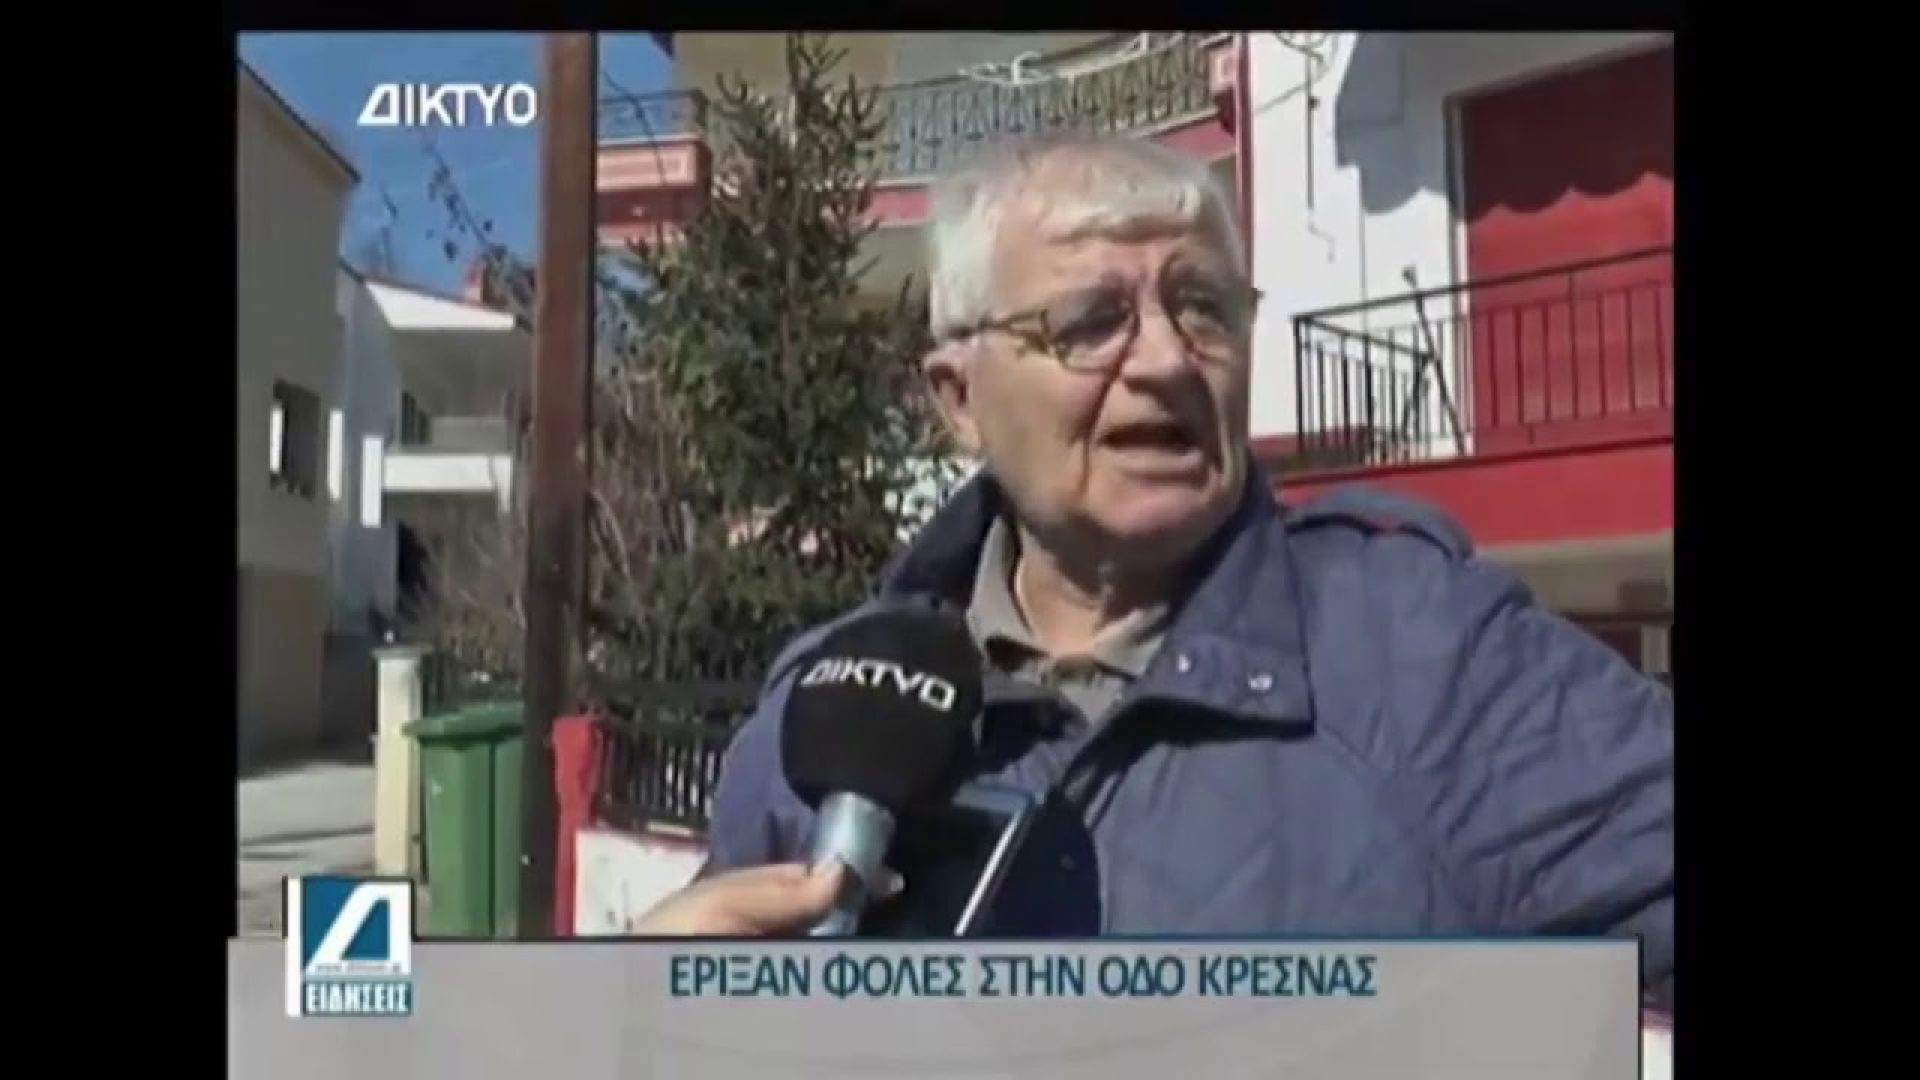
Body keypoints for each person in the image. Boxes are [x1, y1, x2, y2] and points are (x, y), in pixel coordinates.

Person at [638, 132, 1674, 1008]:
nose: (1171, 360)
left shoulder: (1429, 659)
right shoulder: (825, 712)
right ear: (958, 399)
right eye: (1090, 323)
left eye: (1205, 308)